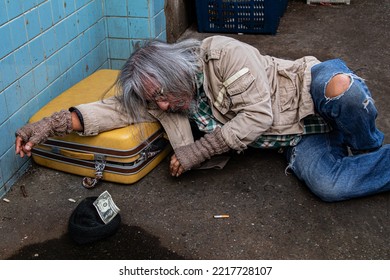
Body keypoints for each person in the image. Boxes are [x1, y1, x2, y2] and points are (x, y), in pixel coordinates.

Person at [15, 35, 390, 202]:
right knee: (330, 186)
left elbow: (257, 115)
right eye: (153, 101)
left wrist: (197, 151)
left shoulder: (223, 54)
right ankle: (369, 156)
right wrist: (47, 126)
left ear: (175, 69)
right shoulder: (162, 99)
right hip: (296, 137)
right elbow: (114, 110)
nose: (161, 106)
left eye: (160, 94)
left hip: (305, 88)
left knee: (343, 90)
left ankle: (366, 143)